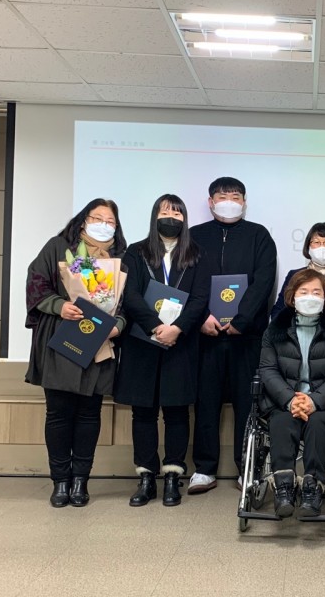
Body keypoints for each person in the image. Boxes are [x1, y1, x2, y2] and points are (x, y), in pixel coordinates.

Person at [25, 199, 127, 507]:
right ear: (83, 220)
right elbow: (36, 283)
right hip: (61, 340)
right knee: (58, 414)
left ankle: (81, 480)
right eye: (97, 218)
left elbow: (128, 303)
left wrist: (118, 325)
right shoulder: (58, 247)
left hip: (98, 346)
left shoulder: (120, 259)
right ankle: (60, 481)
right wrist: (59, 306)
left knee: (89, 414)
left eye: (110, 221)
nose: (103, 224)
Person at [114, 195, 210, 507]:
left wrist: (177, 328)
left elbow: (200, 298)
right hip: (142, 341)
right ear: (154, 215)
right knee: (143, 411)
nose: (171, 217)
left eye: (177, 213)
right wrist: (156, 326)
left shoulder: (197, 255)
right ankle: (146, 477)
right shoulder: (136, 252)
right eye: (165, 211)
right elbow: (130, 295)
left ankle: (172, 476)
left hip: (180, 344)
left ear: (185, 219)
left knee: (176, 410)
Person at [188, 177, 277, 494]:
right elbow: (186, 281)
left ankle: (247, 467)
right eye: (222, 196)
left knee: (247, 403)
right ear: (210, 202)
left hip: (246, 336)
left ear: (244, 202)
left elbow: (264, 281)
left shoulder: (259, 235)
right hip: (205, 335)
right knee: (205, 402)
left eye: (235, 196)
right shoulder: (194, 236)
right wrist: (201, 318)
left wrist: (242, 320)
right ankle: (204, 469)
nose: (229, 201)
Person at [259, 269, 325, 517]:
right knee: (282, 420)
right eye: (303, 292)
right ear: (292, 297)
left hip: (324, 403)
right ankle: (284, 487)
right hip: (283, 401)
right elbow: (268, 370)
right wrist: (290, 399)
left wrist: (314, 400)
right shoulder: (274, 330)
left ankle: (312, 487)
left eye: (316, 292)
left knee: (318, 422)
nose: (310, 297)